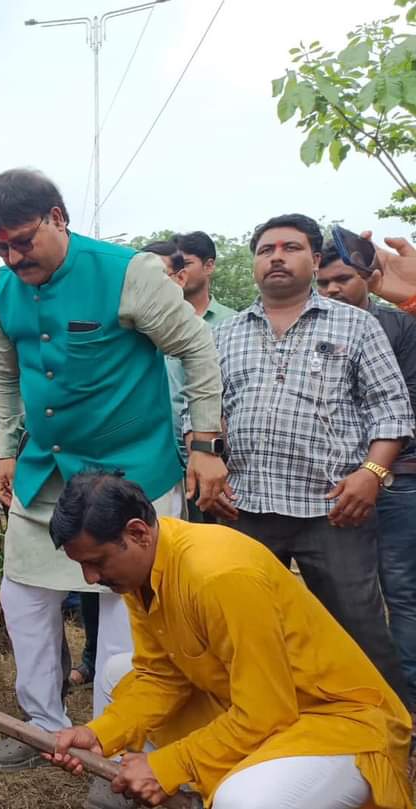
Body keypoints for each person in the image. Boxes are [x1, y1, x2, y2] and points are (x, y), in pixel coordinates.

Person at [0, 168, 225, 776]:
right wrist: (8, 448)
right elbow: (8, 376)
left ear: (58, 218)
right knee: (24, 596)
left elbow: (195, 348)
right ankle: (44, 727)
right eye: (0, 247)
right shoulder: (3, 289)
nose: (12, 258)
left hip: (130, 471)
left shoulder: (129, 272)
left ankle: (119, 747)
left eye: (22, 241)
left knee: (129, 617)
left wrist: (205, 443)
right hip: (47, 471)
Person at [45, 472, 412, 809]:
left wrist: (168, 766)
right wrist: (97, 735)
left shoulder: (218, 575)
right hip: (260, 707)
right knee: (117, 673)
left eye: (97, 562)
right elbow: (161, 677)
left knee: (241, 801)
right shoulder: (146, 567)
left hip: (339, 724)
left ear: (138, 532)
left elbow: (267, 712)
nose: (90, 578)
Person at [206, 213, 412, 709]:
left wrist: (373, 473)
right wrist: (209, 459)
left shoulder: (356, 324)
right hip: (246, 508)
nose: (276, 256)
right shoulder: (226, 333)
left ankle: (390, 729)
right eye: (265, 249)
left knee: (358, 628)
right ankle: (267, 722)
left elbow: (394, 410)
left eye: (290, 247)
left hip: (333, 509)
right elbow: (206, 410)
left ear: (314, 260)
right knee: (249, 629)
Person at [316, 244, 416, 720]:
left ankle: (407, 704)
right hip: (336, 487)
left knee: (400, 591)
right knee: (344, 593)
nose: (333, 289)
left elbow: (405, 405)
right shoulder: (312, 329)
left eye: (343, 279)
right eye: (324, 282)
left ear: (370, 280)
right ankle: (353, 699)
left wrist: (373, 469)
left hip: (397, 481)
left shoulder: (399, 325)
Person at [163, 232, 237, 508]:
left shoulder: (233, 324)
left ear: (209, 266)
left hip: (213, 458)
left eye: (186, 263)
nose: (176, 272)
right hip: (161, 459)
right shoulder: (152, 325)